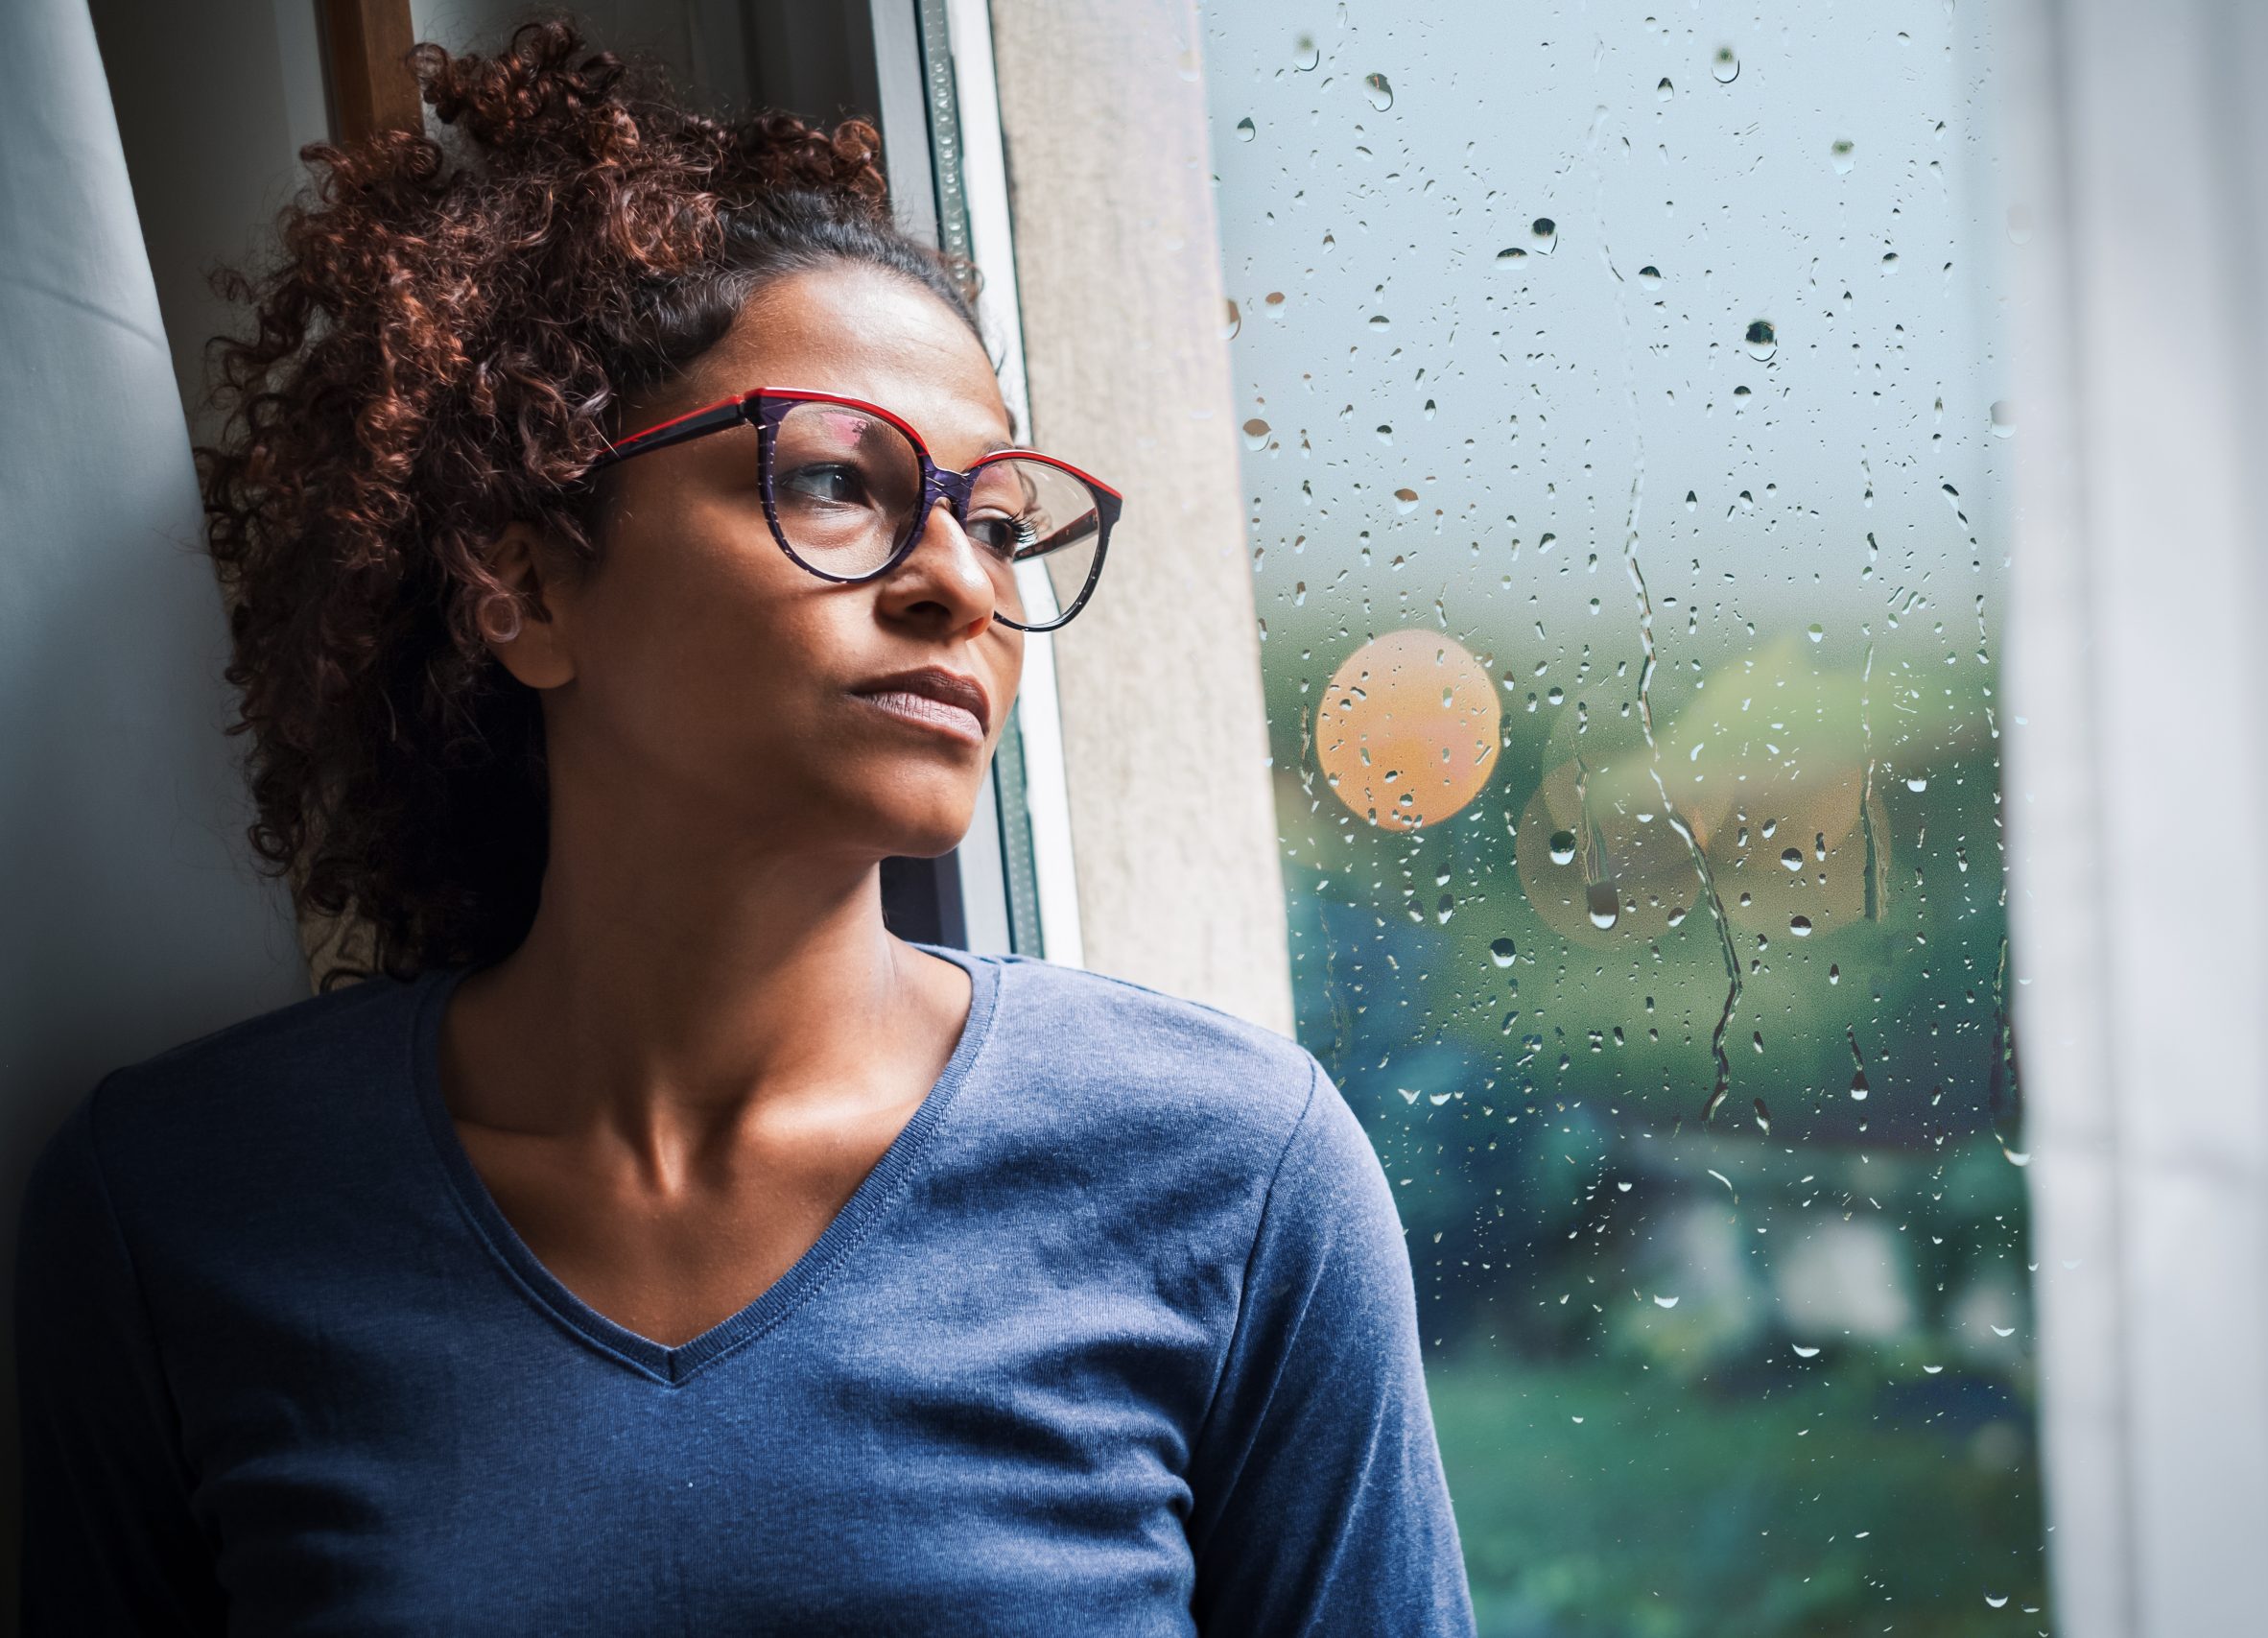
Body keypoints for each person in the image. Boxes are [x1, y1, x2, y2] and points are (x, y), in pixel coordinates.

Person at [12, 23, 1471, 1634]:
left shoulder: (1234, 1176)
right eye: (840, 480)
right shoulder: (180, 1203)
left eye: (996, 521)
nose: (962, 584)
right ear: (531, 580)